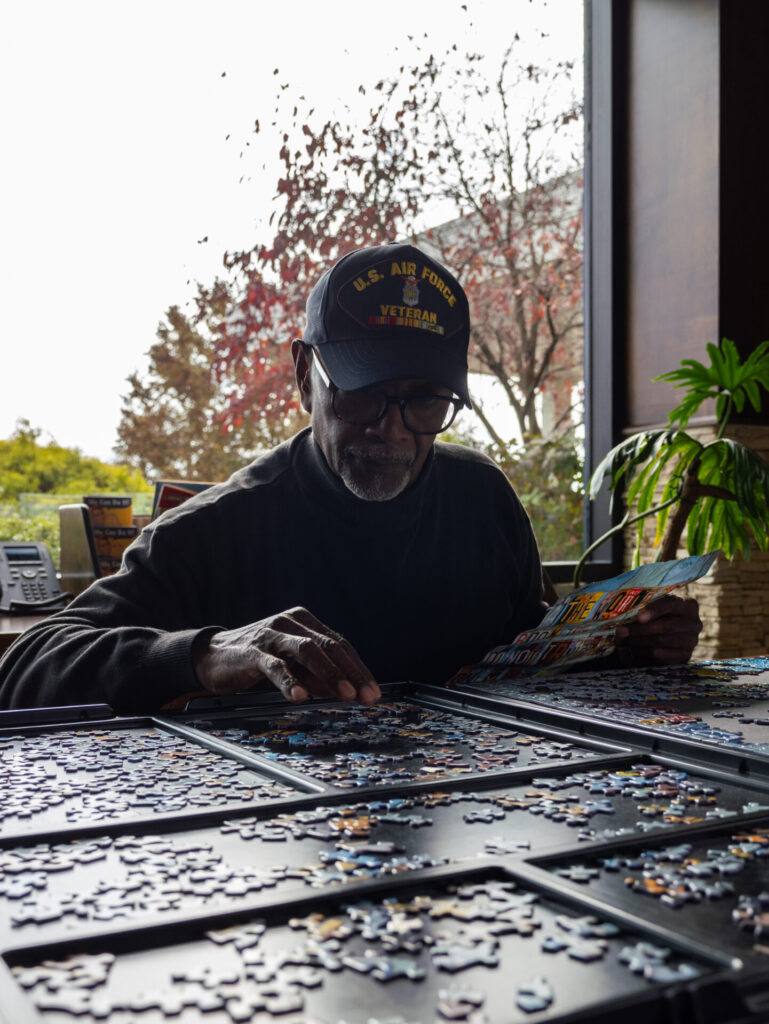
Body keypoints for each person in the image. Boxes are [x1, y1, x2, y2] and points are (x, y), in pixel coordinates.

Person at [0, 243, 702, 714]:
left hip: (469, 845)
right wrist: (206, 652)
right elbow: (24, 666)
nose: (393, 431)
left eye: (424, 400)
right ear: (305, 373)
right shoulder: (213, 531)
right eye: (363, 393)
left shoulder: (481, 500)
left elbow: (520, 662)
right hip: (274, 864)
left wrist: (622, 647)